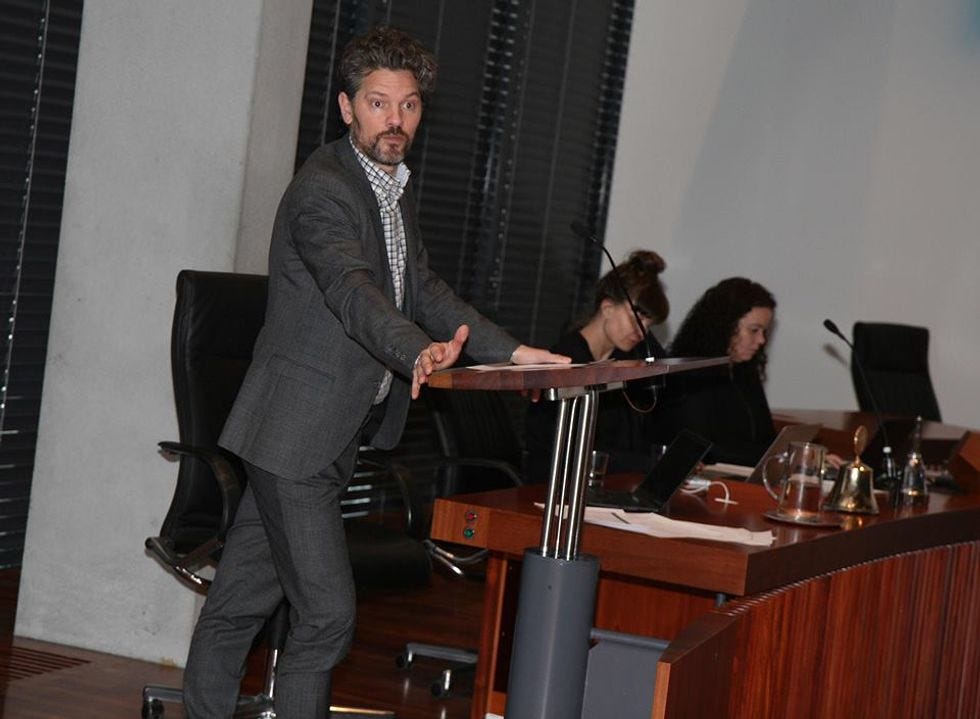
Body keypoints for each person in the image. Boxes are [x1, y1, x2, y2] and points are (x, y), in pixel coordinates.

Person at [181, 26, 568, 718]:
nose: (395, 120)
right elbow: (351, 289)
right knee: (327, 615)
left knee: (238, 603)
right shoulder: (323, 191)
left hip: (324, 435)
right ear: (346, 106)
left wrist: (511, 352)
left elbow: (423, 289)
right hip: (295, 435)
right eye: (378, 103)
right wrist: (413, 349)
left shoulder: (389, 192)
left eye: (408, 105)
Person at [524, 250, 670, 480]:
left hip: (606, 480)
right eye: (637, 318)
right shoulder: (567, 360)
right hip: (554, 482)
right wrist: (651, 463)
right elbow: (571, 449)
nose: (642, 332)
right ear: (607, 307)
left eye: (649, 324)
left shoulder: (625, 359)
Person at [659, 276, 777, 466]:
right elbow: (704, 449)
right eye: (754, 330)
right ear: (725, 326)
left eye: (765, 331)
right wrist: (777, 458)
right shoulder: (688, 375)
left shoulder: (745, 371)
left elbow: (766, 438)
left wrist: (793, 456)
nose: (762, 340)